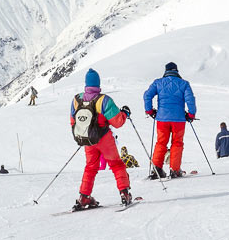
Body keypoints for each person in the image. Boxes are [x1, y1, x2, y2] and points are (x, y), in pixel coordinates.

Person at [71, 68, 133, 210]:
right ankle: (125, 193)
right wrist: (124, 113)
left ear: (86, 84)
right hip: (104, 138)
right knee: (116, 164)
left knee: (90, 167)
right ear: (98, 84)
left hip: (88, 140)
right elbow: (118, 122)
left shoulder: (76, 100)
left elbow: (73, 121)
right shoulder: (103, 100)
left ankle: (84, 197)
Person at [143, 62, 197, 179]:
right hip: (179, 119)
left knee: (161, 143)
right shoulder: (184, 84)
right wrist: (191, 114)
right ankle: (175, 170)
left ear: (166, 71)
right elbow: (190, 99)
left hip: (162, 119)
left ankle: (156, 169)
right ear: (176, 71)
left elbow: (147, 95)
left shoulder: (158, 83)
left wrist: (150, 111)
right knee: (177, 143)